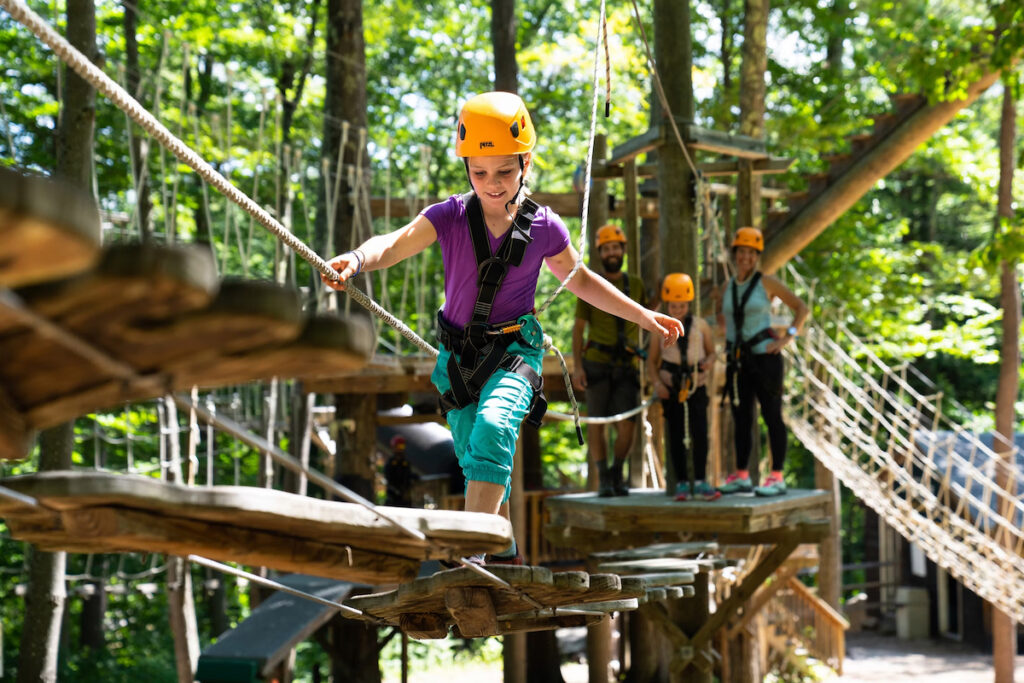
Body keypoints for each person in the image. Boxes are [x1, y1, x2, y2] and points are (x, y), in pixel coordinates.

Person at [322, 91, 683, 564]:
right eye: (479, 172)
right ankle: (504, 549)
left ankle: (472, 559)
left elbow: (582, 281)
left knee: (493, 429)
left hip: (515, 353)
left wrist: (642, 315)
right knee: (476, 459)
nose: (492, 184)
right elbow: (394, 244)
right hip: (458, 361)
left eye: (505, 172)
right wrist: (356, 258)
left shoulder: (546, 228)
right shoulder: (449, 217)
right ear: (467, 168)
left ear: (526, 163)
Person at [716, 227, 808, 497]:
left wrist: (786, 338)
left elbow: (801, 308)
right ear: (735, 255)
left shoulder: (767, 283)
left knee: (771, 415)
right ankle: (742, 475)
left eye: (750, 253)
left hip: (766, 359)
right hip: (739, 361)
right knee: (741, 417)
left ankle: (777, 476)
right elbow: (725, 321)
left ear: (756, 256)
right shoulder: (727, 286)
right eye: (741, 252)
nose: (745, 257)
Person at [572, 224, 647, 497]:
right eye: (607, 248)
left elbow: (648, 315)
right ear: (600, 253)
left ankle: (617, 470)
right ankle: (604, 476)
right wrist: (578, 367)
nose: (612, 252)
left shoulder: (635, 285)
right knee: (597, 421)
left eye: (616, 247)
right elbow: (579, 329)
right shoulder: (589, 284)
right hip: (597, 361)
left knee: (628, 424)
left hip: (627, 363)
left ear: (623, 250)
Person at [647, 273, 719, 501]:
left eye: (681, 305)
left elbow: (712, 352)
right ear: (667, 303)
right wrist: (658, 383)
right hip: (672, 386)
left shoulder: (701, 326)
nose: (677, 309)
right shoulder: (659, 326)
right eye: (673, 305)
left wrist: (708, 363)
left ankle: (700, 481)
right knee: (676, 434)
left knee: (700, 433)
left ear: (688, 304)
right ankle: (679, 483)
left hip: (695, 385)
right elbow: (651, 361)